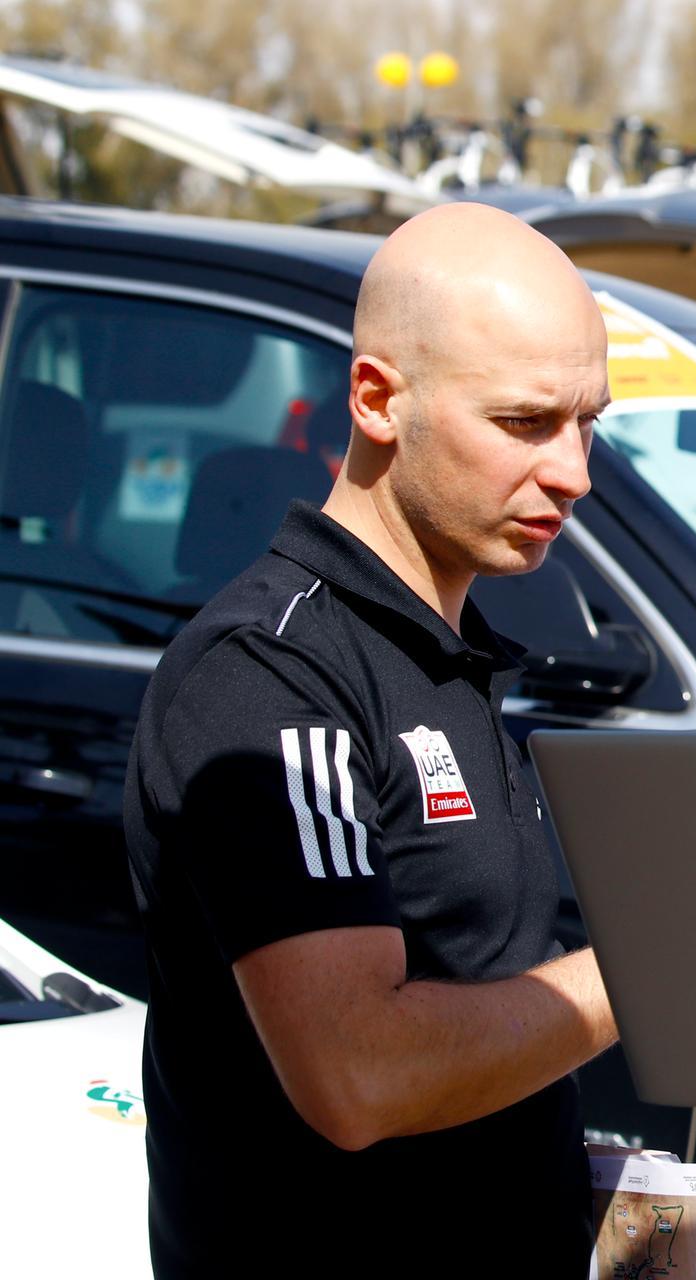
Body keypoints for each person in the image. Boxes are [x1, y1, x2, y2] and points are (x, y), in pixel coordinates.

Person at [124, 202, 618, 1277]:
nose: (576, 472)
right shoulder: (266, 672)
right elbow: (360, 1073)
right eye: (528, 423)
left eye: (590, 423)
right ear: (377, 399)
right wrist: (650, 970)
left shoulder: (447, 650)